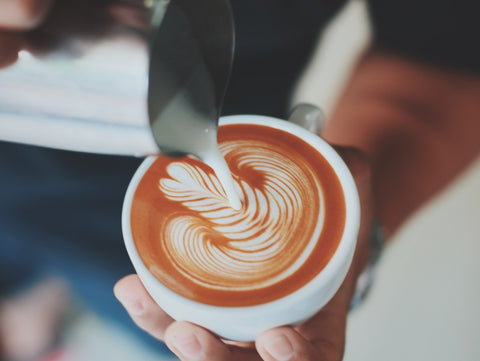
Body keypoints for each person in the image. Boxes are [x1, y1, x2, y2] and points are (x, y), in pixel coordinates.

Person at [1, 1, 479, 361]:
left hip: (153, 251)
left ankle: (40, 312)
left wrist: (349, 247)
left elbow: (448, 54)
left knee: (162, 327)